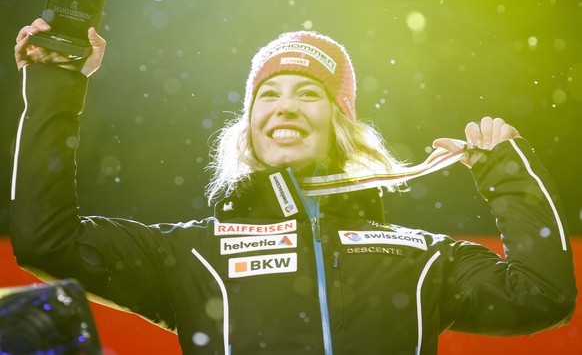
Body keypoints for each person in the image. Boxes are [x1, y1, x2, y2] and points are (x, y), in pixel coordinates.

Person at [10, 18, 576, 355]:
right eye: (268, 93)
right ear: (249, 128)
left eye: (309, 93)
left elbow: (542, 296)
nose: (285, 106)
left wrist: (506, 174)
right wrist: (57, 82)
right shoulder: (191, 255)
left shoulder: (422, 258)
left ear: (341, 123)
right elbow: (45, 241)